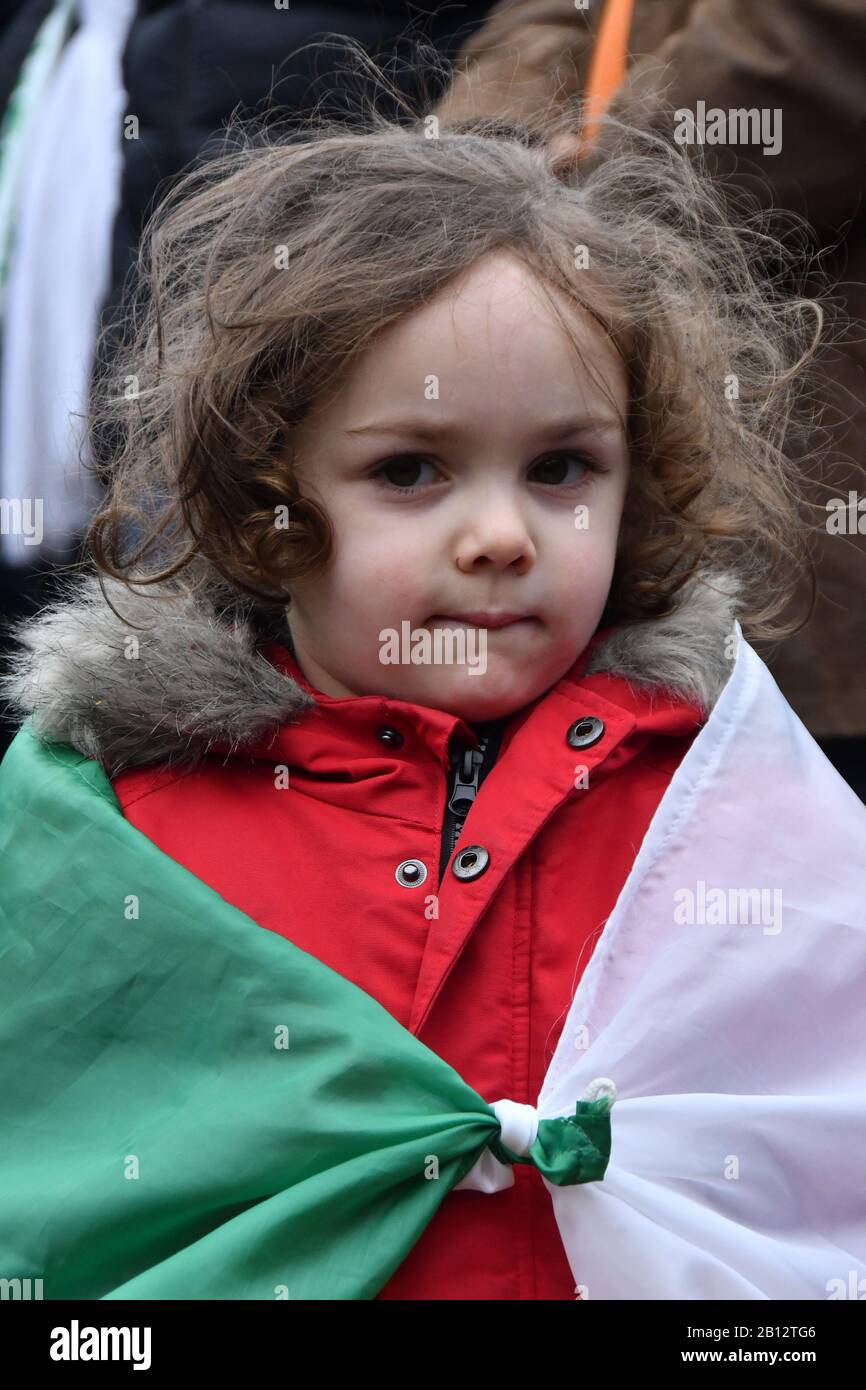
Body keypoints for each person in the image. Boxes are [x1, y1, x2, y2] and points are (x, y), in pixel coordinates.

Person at [1, 90, 864, 1301]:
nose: (503, 534)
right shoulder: (125, 831)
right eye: (410, 470)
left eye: (562, 468)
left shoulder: (726, 803)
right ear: (267, 498)